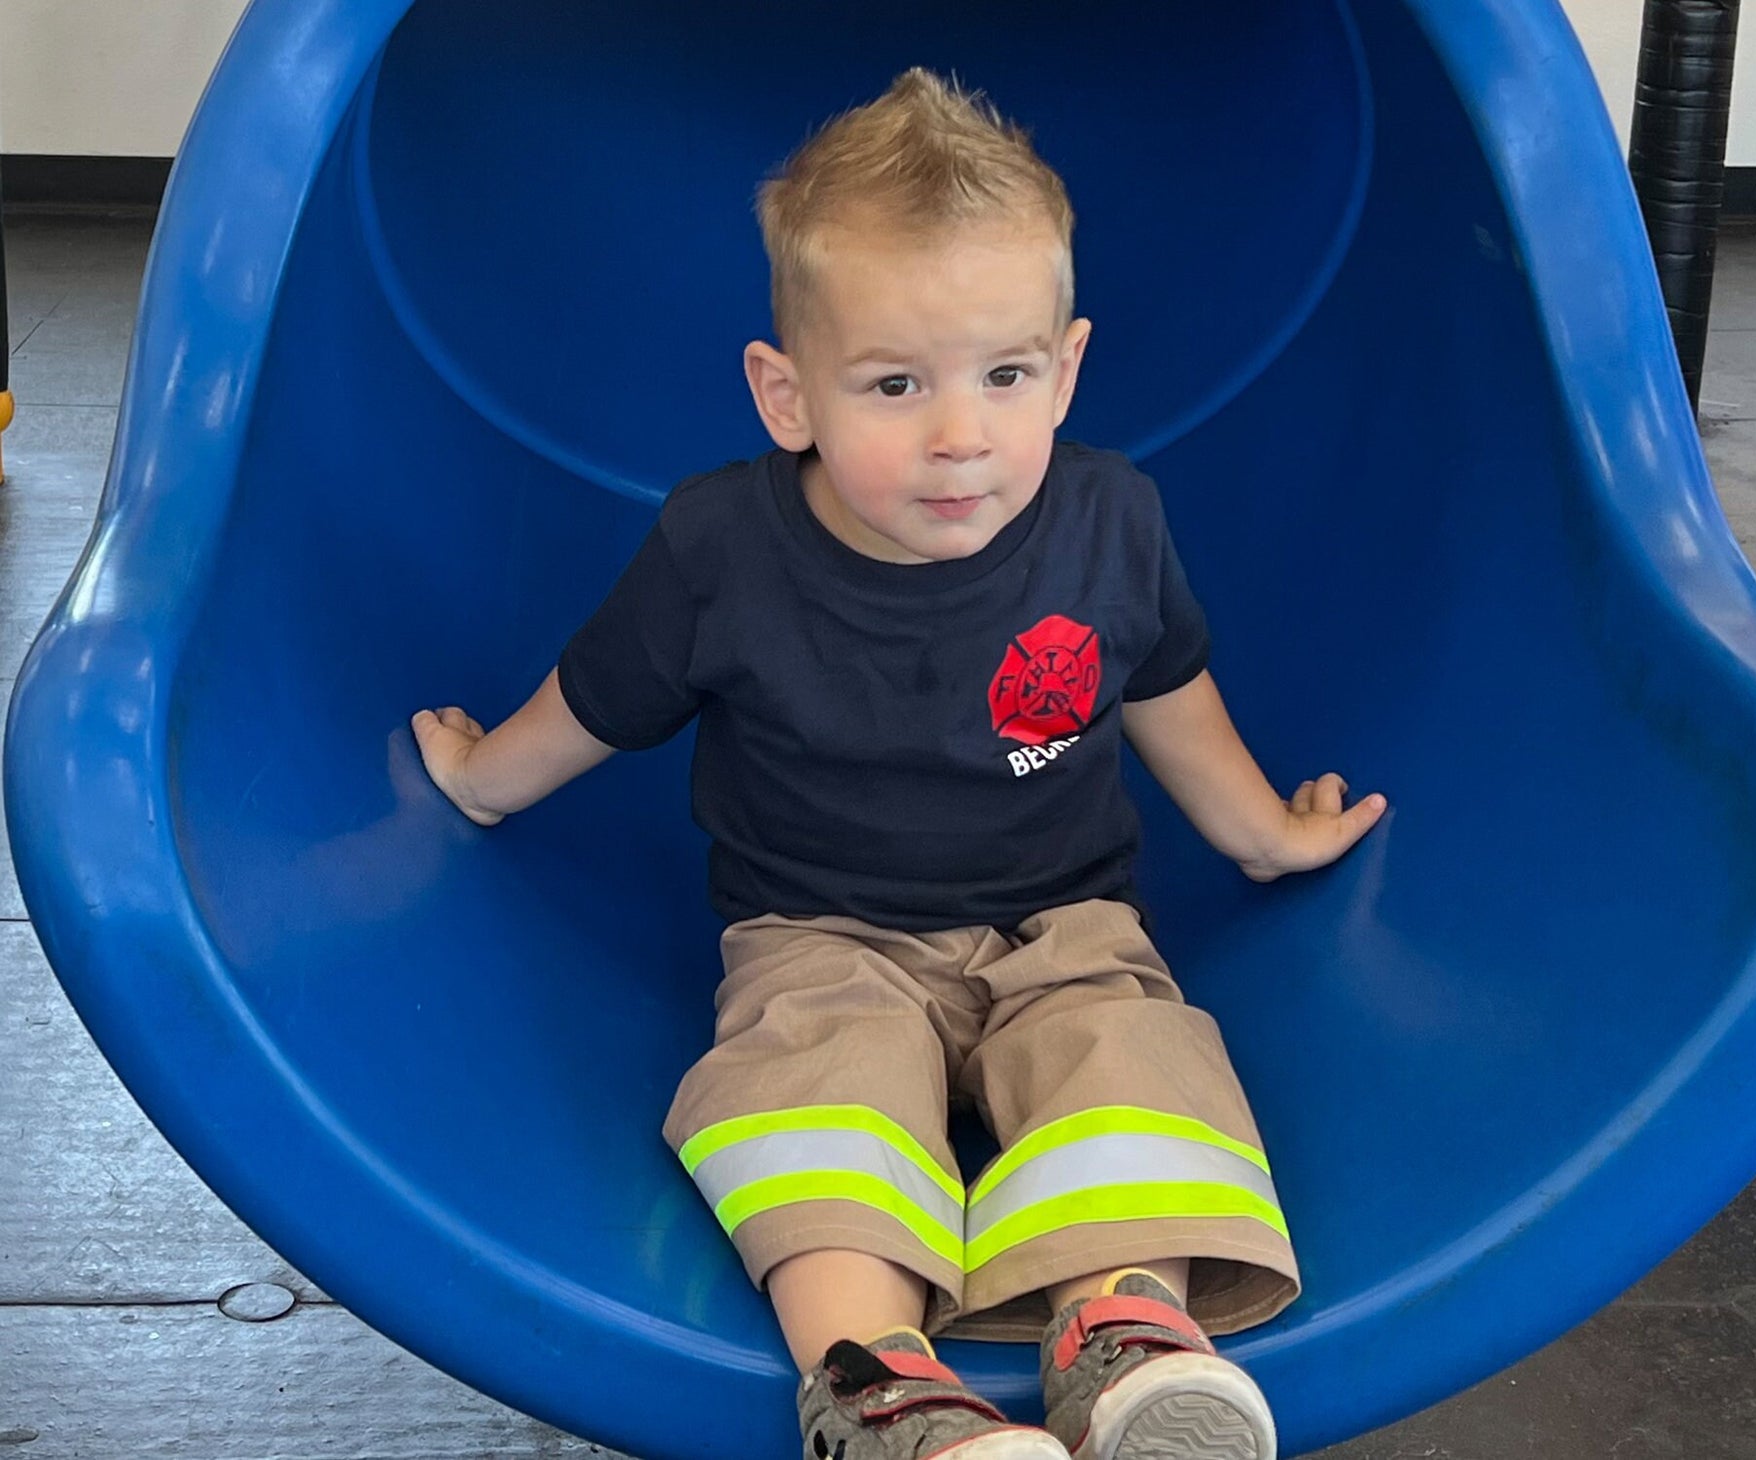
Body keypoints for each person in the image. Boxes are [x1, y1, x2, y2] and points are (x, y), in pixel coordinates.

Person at [413, 67, 1387, 1460]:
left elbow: (1162, 684)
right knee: (812, 1095)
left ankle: (1121, 1337)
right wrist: (484, 778)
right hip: (818, 928)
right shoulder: (718, 548)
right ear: (786, 392)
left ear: (1066, 368)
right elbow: (606, 695)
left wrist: (1255, 835)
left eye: (1005, 376)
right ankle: (883, 1393)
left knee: (1128, 1057)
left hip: (1066, 918)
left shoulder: (1110, 517)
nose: (958, 436)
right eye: (893, 384)